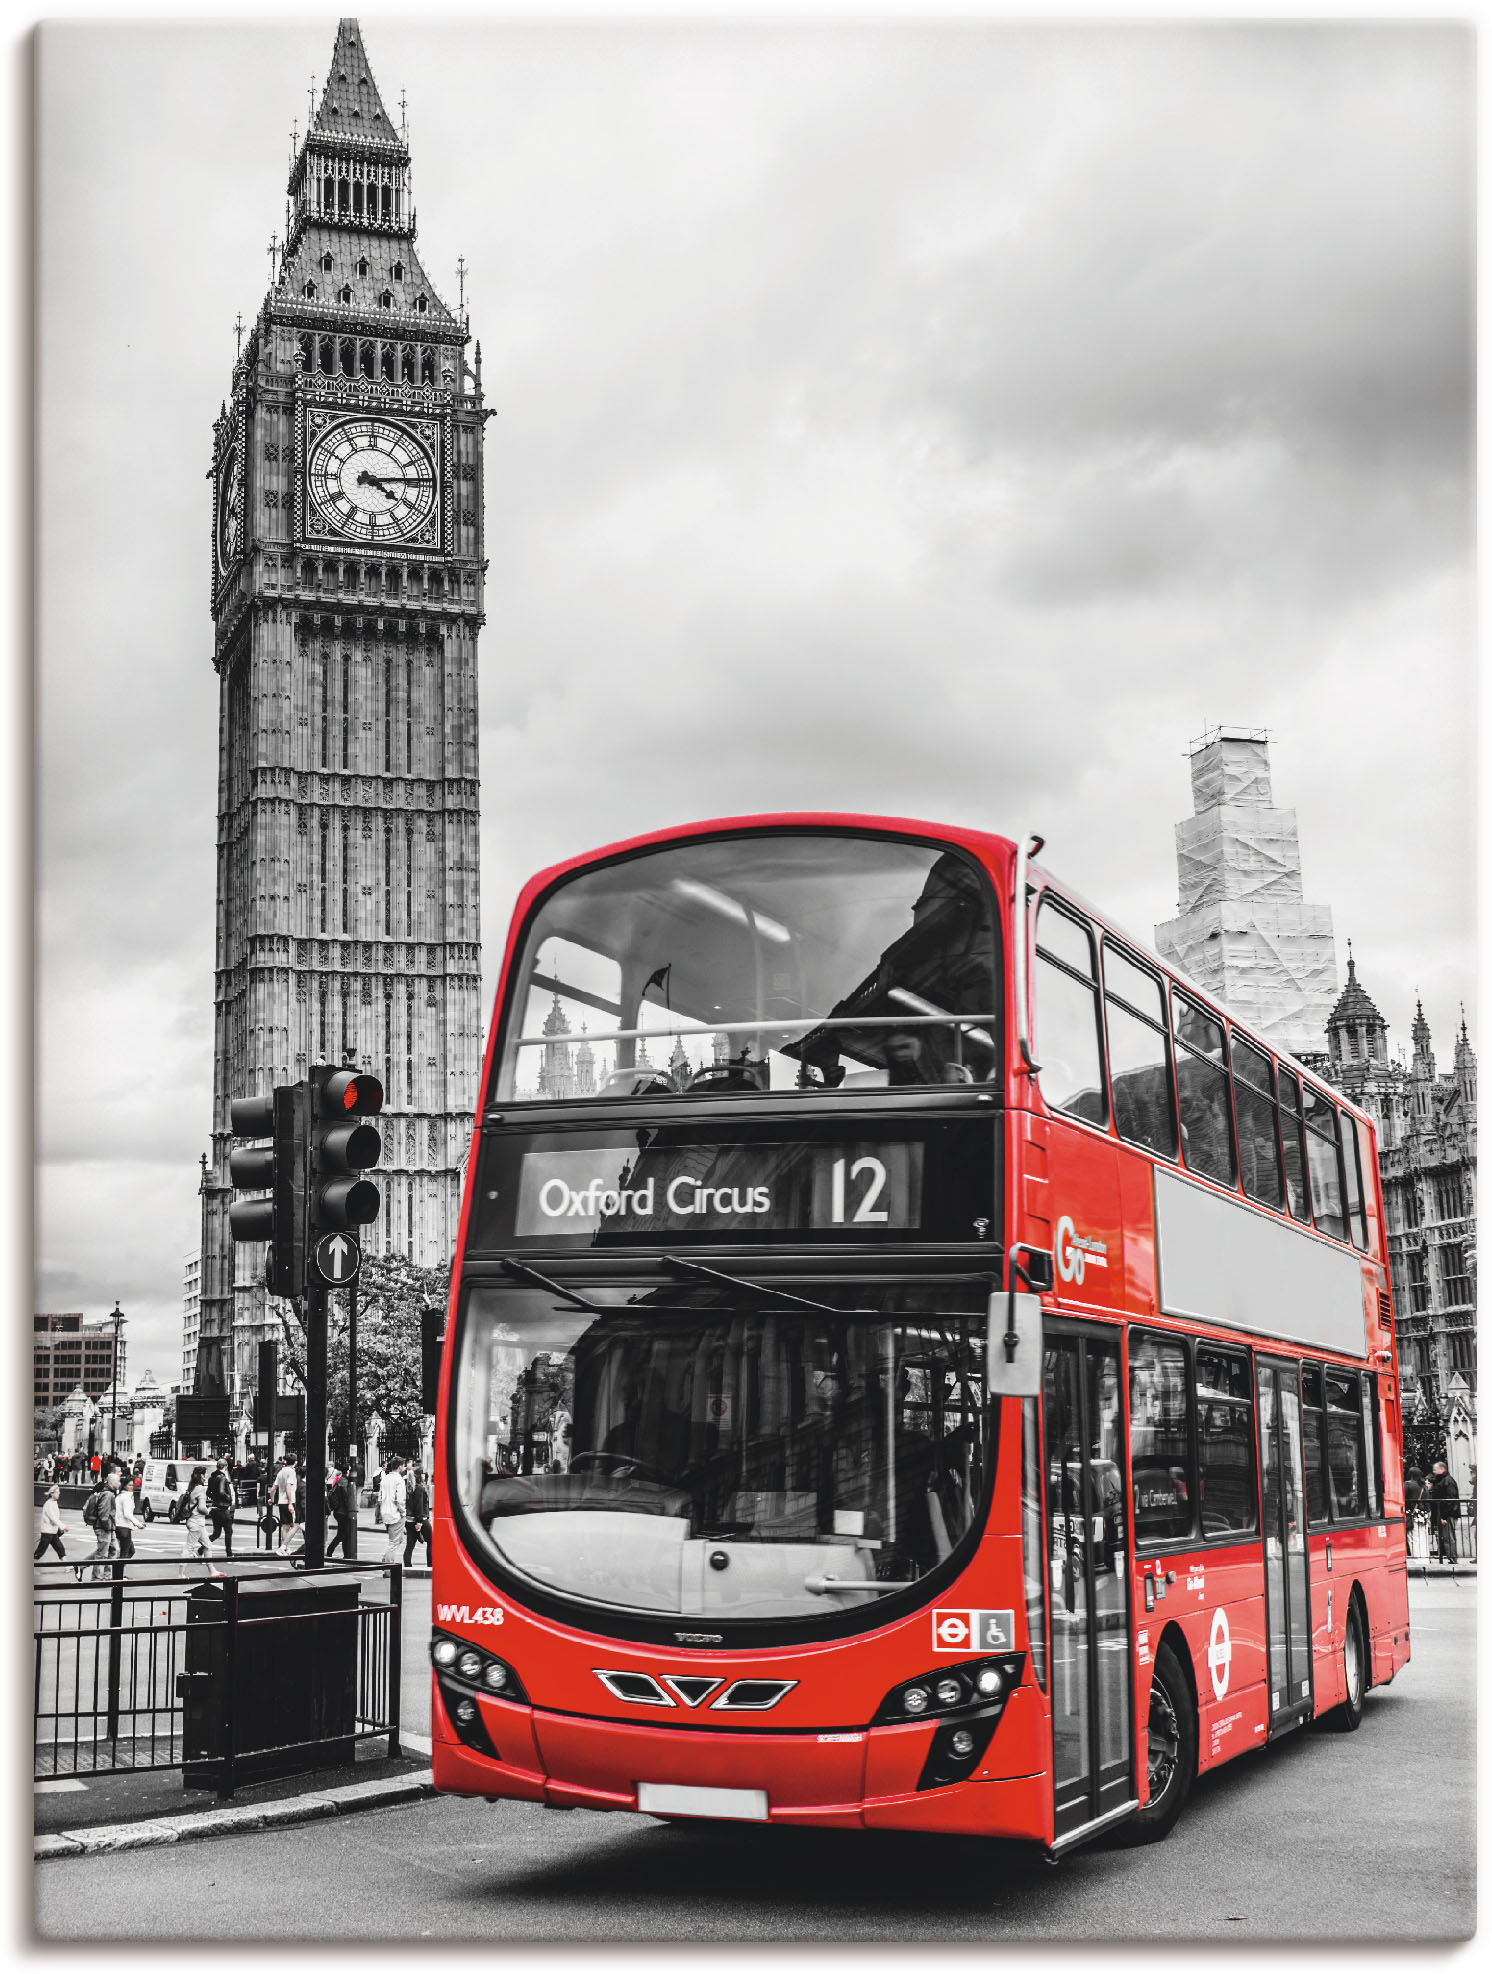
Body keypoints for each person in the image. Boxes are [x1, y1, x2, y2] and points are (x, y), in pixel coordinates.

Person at [83, 1468, 120, 1581]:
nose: (119, 1484)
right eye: (118, 1481)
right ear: (112, 1482)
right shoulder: (108, 1494)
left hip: (108, 1527)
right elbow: (103, 1513)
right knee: (103, 1553)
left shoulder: (105, 1492)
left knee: (113, 1550)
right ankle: (97, 1577)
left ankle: (107, 1575)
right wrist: (108, 1526)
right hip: (105, 1527)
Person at [1428, 1461, 1460, 1563]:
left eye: (1435, 1469)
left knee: (1448, 1537)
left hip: (1448, 1515)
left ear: (1442, 1469)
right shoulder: (1445, 1480)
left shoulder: (1447, 1481)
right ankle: (1451, 1558)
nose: (1434, 1472)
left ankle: (1453, 1558)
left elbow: (1450, 1501)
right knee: (1447, 1537)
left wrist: (1444, 1517)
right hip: (1446, 1514)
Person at [378, 1456, 408, 1565]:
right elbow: (400, 1500)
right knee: (394, 1543)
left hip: (385, 1513)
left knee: (397, 1540)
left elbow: (380, 1498)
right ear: (400, 1467)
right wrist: (403, 1512)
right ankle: (387, 1567)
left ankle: (385, 1561)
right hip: (396, 1514)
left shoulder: (385, 1478)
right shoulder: (399, 1480)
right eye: (403, 1465)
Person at [207, 1459, 236, 1559]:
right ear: (226, 1466)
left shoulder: (212, 1477)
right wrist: (228, 1498)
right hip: (223, 1508)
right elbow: (221, 1491)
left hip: (215, 1507)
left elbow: (208, 1492)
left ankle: (202, 1548)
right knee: (229, 1531)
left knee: (216, 1533)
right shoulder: (222, 1477)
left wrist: (214, 1497)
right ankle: (229, 1553)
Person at [404, 1467, 432, 1566]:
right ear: (420, 1475)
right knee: (432, 1541)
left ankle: (407, 1566)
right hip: (420, 1519)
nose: (425, 1475)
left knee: (410, 1545)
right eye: (424, 1474)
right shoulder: (419, 1488)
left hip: (409, 1520)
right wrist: (419, 1522)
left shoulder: (409, 1487)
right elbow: (419, 1506)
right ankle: (430, 1565)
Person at [272, 1453, 299, 1556]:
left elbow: (274, 1488)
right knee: (296, 1525)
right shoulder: (291, 1472)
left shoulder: (281, 1471)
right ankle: (283, 1547)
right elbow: (288, 1486)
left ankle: (285, 1548)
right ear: (295, 1462)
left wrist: (272, 1499)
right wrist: (290, 1503)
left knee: (285, 1526)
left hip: (281, 1502)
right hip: (289, 1501)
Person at [325, 1467, 355, 1559]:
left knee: (344, 1533)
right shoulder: (344, 1482)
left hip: (339, 1511)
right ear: (347, 1471)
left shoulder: (341, 1480)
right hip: (342, 1512)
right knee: (342, 1534)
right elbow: (346, 1498)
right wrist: (350, 1508)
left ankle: (346, 1554)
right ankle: (330, 1550)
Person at [34, 1484, 68, 1563]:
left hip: (52, 1531)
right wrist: (62, 1526)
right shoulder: (48, 1504)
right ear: (52, 1493)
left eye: (59, 1492)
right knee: (40, 1551)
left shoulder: (54, 1503)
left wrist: (60, 1527)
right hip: (47, 1531)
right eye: (57, 1492)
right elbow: (53, 1518)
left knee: (60, 1548)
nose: (59, 1493)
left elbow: (55, 1518)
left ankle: (67, 1565)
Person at [113, 1471, 138, 1561]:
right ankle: (118, 1573)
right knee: (126, 1552)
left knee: (129, 1551)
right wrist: (138, 1524)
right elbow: (127, 1514)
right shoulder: (126, 1497)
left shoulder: (120, 1496)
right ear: (124, 1486)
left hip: (119, 1526)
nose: (132, 1487)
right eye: (129, 1485)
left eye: (132, 1485)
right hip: (124, 1527)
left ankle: (118, 1572)